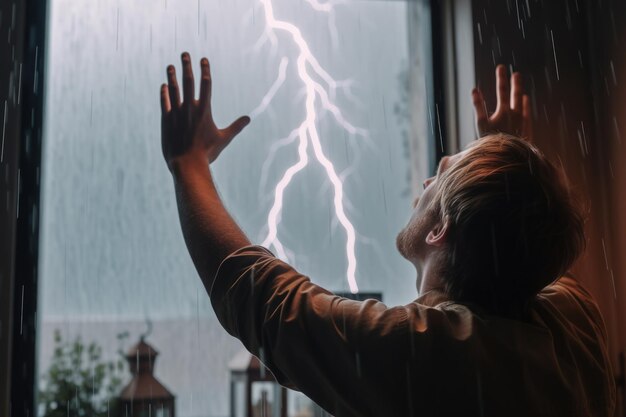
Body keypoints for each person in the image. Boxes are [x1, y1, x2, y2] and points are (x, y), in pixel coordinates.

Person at [160, 53, 615, 416]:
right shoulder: (575, 323)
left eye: (439, 176)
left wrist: (188, 164)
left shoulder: (426, 357)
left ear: (439, 230)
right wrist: (507, 156)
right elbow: (535, 243)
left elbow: (267, 306)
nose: (424, 184)